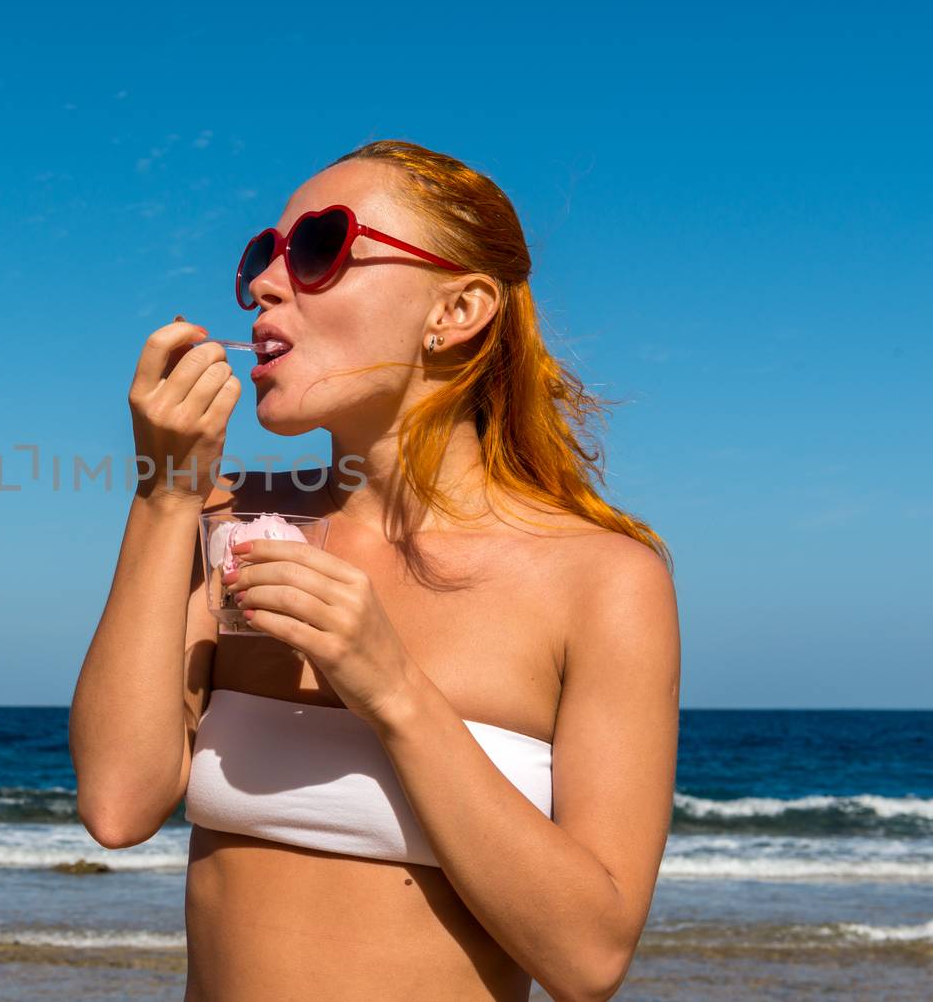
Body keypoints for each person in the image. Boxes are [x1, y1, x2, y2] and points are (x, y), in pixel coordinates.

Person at [69, 139, 680, 1001]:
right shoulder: (224, 523)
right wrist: (165, 497)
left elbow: (588, 958)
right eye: (261, 258)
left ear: (458, 308)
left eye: (320, 248)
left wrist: (393, 689)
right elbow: (118, 805)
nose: (267, 286)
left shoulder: (602, 580)